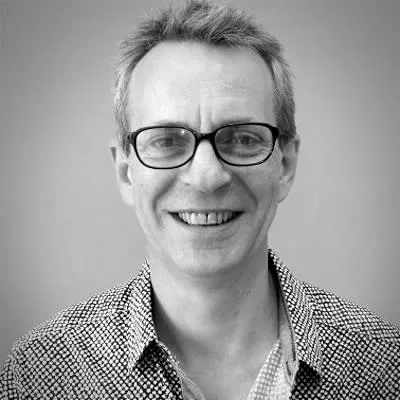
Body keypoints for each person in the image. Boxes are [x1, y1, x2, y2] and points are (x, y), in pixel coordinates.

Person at [1, 0, 399, 399]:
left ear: (286, 165)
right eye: (166, 141)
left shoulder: (385, 365)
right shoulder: (35, 373)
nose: (207, 177)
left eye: (242, 138)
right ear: (125, 171)